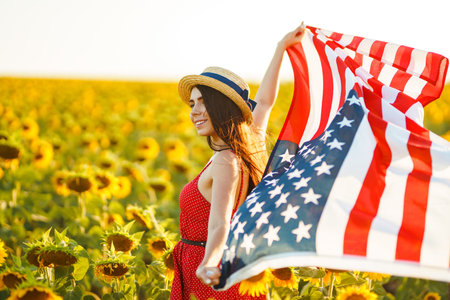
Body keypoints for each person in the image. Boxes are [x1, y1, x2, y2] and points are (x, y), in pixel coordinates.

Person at [170, 22, 306, 300]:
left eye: (201, 103)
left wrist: (209, 261)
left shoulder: (225, 162)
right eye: (192, 104)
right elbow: (265, 101)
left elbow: (220, 223)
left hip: (210, 275)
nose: (193, 111)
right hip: (226, 267)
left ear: (221, 106)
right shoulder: (248, 144)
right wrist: (281, 48)